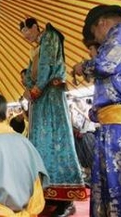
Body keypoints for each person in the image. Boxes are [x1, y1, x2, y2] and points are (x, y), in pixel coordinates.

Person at [19, 17, 86, 215]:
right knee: (41, 143)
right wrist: (30, 88)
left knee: (57, 141)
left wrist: (35, 89)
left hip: (50, 96)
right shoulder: (36, 47)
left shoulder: (49, 36)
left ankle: (65, 198)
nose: (25, 37)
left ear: (34, 27)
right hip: (40, 99)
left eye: (25, 32)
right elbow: (33, 75)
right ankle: (46, 192)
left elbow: (47, 66)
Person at [73, 4, 121, 217]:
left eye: (95, 34)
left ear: (102, 23)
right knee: (110, 191)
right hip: (111, 127)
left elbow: (106, 64)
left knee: (119, 190)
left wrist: (82, 66)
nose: (98, 40)